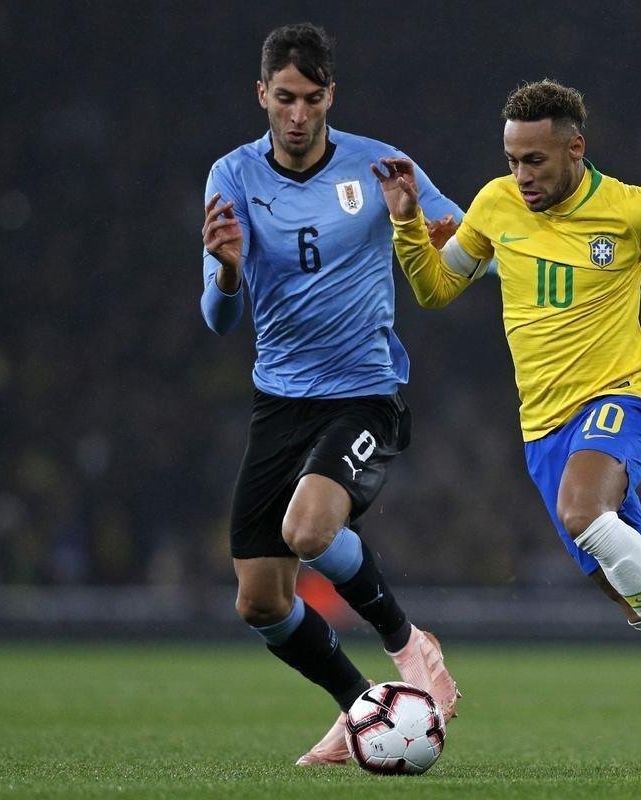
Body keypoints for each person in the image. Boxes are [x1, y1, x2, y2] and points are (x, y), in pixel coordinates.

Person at [372, 79, 641, 774]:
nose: (522, 176)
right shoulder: (494, 206)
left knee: (584, 512)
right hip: (543, 430)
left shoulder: (631, 207)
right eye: (514, 160)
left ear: (575, 148)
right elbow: (436, 288)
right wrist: (405, 222)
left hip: (620, 398)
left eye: (536, 161)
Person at [199, 23, 460, 766]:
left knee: (309, 530)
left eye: (312, 99)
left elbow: (467, 242)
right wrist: (225, 271)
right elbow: (218, 320)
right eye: (284, 98)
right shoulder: (233, 177)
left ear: (330, 96)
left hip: (364, 394)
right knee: (260, 602)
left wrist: (435, 230)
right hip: (278, 402)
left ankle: (412, 649)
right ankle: (362, 708)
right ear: (262, 95)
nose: (298, 114)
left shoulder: (379, 166)